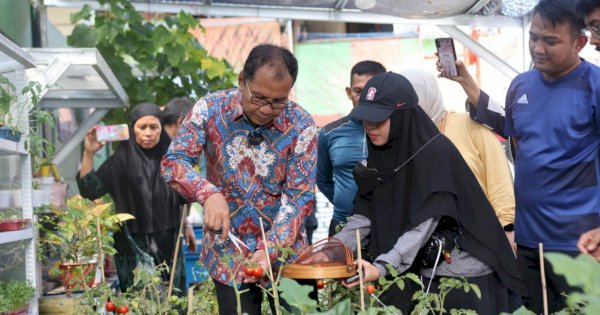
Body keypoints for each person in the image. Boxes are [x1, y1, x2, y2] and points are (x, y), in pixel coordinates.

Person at [441, 0, 600, 312]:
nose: (538, 48)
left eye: (550, 41)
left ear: (580, 42)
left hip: (582, 243)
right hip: (530, 240)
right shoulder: (520, 85)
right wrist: (468, 84)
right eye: (533, 37)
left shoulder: (594, 85)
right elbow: (513, 131)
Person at [328, 72, 525, 314]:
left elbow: (425, 222)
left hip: (462, 275)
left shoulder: (435, 153)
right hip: (421, 270)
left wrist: (382, 267)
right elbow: (366, 212)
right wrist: (331, 250)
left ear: (401, 116)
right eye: (366, 119)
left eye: (379, 120)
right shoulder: (382, 153)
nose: (370, 127)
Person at [161, 44, 317, 315]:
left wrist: (270, 249)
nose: (267, 109)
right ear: (242, 81)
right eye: (258, 98)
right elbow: (173, 161)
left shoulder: (301, 124)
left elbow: (299, 196)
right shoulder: (210, 109)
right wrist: (207, 193)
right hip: (228, 253)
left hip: (287, 251)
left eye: (278, 101)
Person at [77, 103, 187, 295]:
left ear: (161, 129)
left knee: (174, 300)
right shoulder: (120, 161)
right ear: (132, 129)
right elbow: (90, 190)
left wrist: (187, 228)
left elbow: (183, 198)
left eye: (154, 127)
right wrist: (89, 153)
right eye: (141, 127)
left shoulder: (172, 161)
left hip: (169, 244)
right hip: (131, 246)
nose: (148, 133)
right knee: (140, 300)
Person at [401, 69, 516, 251]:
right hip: (427, 244)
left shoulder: (469, 126)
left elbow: (498, 178)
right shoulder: (405, 137)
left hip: (481, 238)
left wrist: (506, 228)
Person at [317, 61, 386, 236]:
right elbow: (323, 180)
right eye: (358, 91)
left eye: (371, 92)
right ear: (349, 92)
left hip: (385, 226)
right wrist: (345, 204)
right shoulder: (329, 133)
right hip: (342, 225)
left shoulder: (395, 130)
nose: (365, 98)